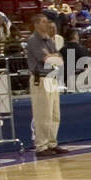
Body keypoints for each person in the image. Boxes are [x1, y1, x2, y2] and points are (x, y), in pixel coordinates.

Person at [24, 14, 67, 158]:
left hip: (52, 77)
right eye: (43, 22)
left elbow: (59, 59)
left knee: (54, 114)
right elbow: (47, 59)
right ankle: (41, 145)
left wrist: (52, 57)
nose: (47, 24)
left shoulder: (48, 39)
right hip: (40, 79)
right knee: (43, 114)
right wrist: (51, 57)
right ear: (36, 24)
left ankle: (52, 143)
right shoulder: (33, 40)